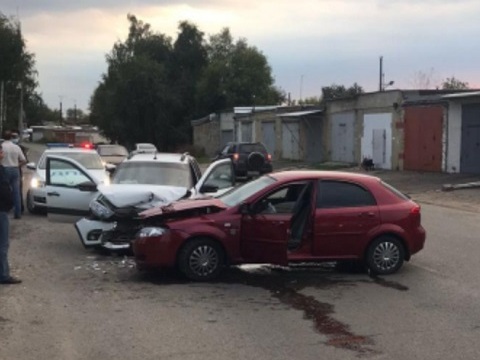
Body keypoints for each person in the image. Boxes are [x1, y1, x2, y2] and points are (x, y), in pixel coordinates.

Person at [0, 143, 22, 284]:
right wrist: (9, 206)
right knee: (3, 244)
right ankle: (3, 275)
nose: (2, 153)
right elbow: (4, 191)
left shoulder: (2, 168)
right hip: (1, 210)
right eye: (1, 151)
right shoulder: (1, 170)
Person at [1, 130, 26, 219]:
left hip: (4, 170)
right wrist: (17, 165)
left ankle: (4, 211)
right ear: (11, 137)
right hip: (15, 169)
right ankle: (17, 213)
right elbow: (23, 160)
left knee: (4, 191)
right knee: (16, 192)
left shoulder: (2, 147)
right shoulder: (16, 147)